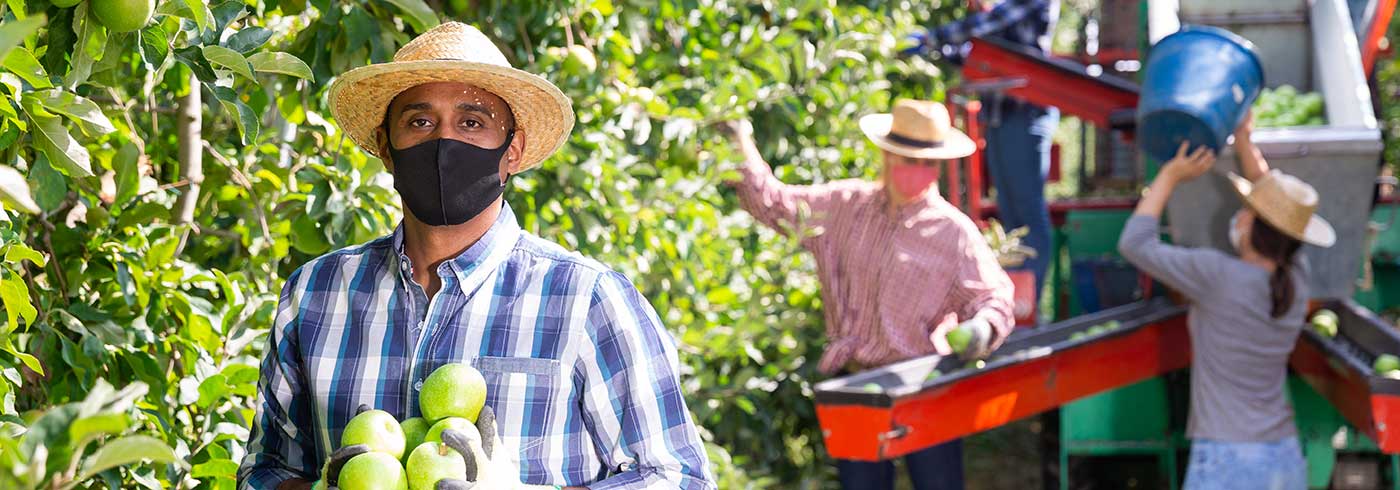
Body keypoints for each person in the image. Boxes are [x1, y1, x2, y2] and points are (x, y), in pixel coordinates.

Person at [237, 22, 715, 490]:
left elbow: (679, 477)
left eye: (473, 122)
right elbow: (265, 469)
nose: (444, 143)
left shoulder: (587, 300)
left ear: (513, 150)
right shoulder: (317, 294)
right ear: (386, 148)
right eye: (419, 122)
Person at [724, 99, 1016, 490]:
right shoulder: (845, 206)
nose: (917, 171)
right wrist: (741, 141)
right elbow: (774, 203)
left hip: (923, 385)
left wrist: (981, 329)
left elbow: (993, 297)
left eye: (927, 163)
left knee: (938, 483)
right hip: (858, 385)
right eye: (908, 159)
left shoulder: (952, 233)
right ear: (887, 154)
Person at [1117, 114, 1330, 490]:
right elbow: (1278, 205)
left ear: (1254, 227)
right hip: (1283, 456)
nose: (1240, 214)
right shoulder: (1296, 277)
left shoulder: (1217, 276)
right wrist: (1244, 141)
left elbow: (1135, 244)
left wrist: (1168, 176)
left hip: (1227, 459)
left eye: (1247, 210)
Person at [904, 0, 1061, 299]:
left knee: (1027, 209)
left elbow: (989, 24)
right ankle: (1014, 298)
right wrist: (942, 51)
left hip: (1025, 113)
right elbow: (979, 54)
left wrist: (930, 38)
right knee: (1010, 211)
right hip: (1000, 115)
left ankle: (1029, 304)